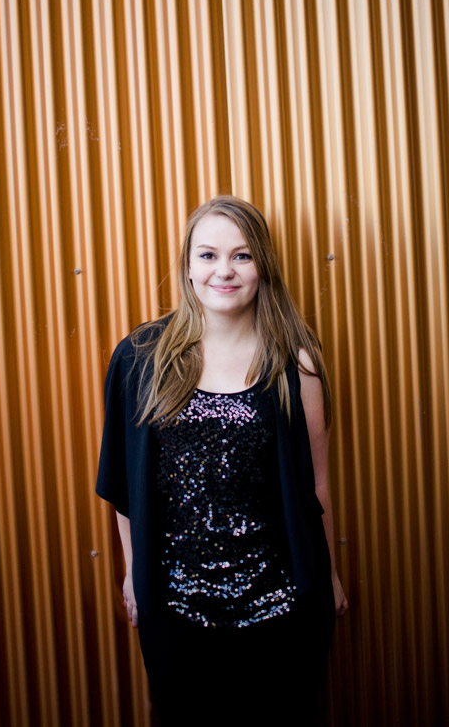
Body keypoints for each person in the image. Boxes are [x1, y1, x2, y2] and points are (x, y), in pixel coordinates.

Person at [96, 195, 347, 725]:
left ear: (263, 266)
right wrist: (132, 571)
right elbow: (122, 481)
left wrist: (328, 574)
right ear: (188, 267)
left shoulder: (294, 362)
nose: (224, 271)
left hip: (280, 607)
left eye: (242, 255)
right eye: (208, 255)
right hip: (175, 609)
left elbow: (316, 486)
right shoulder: (141, 358)